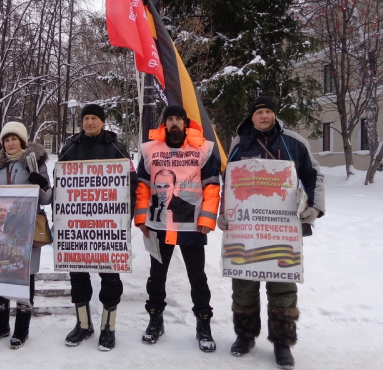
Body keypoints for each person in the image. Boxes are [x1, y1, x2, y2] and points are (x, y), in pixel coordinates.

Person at [218, 96, 325, 369]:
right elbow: (227, 180)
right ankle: (245, 335)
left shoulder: (294, 142)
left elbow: (313, 175)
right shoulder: (239, 143)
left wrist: (314, 206)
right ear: (251, 117)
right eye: (259, 112)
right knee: (243, 283)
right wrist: (223, 211)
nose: (264, 116)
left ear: (274, 115)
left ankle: (282, 342)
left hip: (282, 229)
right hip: (246, 228)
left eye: (268, 111)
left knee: (282, 284)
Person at [134, 105, 221, 351]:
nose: (174, 123)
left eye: (178, 119)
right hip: (158, 226)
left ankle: (204, 325)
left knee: (198, 278)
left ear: (185, 123)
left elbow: (212, 187)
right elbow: (142, 187)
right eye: (170, 119)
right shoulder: (151, 150)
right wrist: (140, 218)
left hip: (191, 226)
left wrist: (207, 219)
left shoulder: (203, 149)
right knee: (156, 277)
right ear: (165, 124)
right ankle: (155, 321)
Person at [57, 103, 138, 351]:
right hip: (77, 227)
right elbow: (61, 187)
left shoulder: (116, 148)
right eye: (86, 118)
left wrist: (126, 218)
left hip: (108, 227)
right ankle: (83, 324)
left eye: (94, 118)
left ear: (102, 122)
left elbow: (132, 185)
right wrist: (61, 222)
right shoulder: (70, 147)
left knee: (110, 277)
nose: (90, 122)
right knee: (77, 275)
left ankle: (108, 327)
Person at [0, 121, 52, 349]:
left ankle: (22, 330)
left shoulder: (34, 163)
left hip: (25, 230)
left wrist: (41, 184)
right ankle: (1, 325)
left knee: (24, 279)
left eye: (14, 139)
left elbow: (47, 199)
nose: (10, 143)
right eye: (6, 140)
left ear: (22, 141)